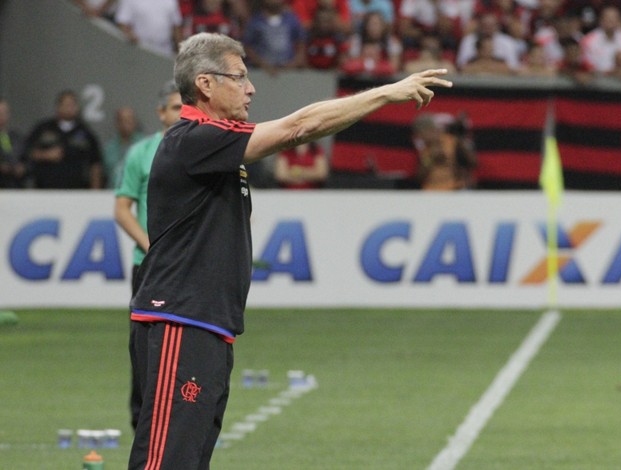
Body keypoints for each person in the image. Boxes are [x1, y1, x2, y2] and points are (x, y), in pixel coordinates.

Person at [127, 31, 451, 469]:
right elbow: (301, 126)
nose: (251, 88)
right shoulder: (195, 138)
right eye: (239, 77)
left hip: (205, 322)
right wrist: (386, 94)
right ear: (205, 84)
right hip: (181, 319)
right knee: (166, 462)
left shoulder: (215, 143)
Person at [114, 80, 182, 432]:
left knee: (189, 347)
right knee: (143, 349)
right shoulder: (142, 152)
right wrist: (150, 245)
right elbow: (122, 207)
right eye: (174, 107)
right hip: (149, 266)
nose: (180, 113)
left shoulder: (203, 148)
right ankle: (142, 425)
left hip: (187, 267)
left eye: (185, 106)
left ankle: (181, 421)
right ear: (160, 113)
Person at [24, 90, 104, 189]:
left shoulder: (85, 133)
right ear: (58, 106)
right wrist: (45, 155)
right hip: (45, 191)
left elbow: (95, 164)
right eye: (66, 104)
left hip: (77, 192)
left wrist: (95, 192)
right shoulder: (43, 129)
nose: (69, 108)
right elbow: (27, 153)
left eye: (72, 105)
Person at [242, 0, 307, 75]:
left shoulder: (291, 19)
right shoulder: (255, 21)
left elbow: (301, 43)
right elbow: (247, 46)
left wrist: (293, 64)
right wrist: (262, 64)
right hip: (261, 72)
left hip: (289, 71)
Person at [580, 6, 621, 76]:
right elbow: (586, 66)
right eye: (607, 18)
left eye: (614, 18)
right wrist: (610, 73)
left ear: (619, 20)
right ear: (600, 20)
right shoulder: (588, 40)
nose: (610, 21)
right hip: (596, 82)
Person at [115, 0, 183, 56]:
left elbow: (176, 27)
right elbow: (122, 22)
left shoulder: (171, 1)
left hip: (164, 51)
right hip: (139, 50)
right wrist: (129, 34)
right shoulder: (130, 1)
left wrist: (180, 51)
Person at [103, 106, 145, 188]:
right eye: (123, 120)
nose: (126, 123)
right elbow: (105, 174)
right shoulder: (109, 148)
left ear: (135, 122)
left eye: (130, 119)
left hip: (138, 193)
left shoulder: (144, 145)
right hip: (112, 193)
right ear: (117, 123)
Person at [0, 98, 27, 188]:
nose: (1, 116)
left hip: (13, 186)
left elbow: (27, 158)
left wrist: (22, 168)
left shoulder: (16, 137)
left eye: (4, 113)